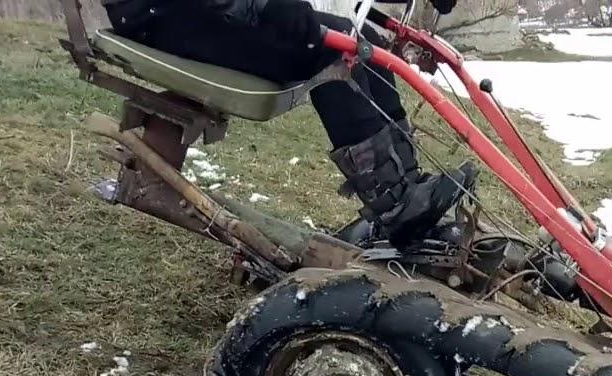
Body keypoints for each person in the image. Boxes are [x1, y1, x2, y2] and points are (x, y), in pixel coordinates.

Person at [101, 0, 475, 246]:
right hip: (164, 14)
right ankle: (394, 203)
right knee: (332, 52)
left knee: (362, 40)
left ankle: (406, 183)